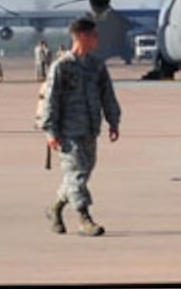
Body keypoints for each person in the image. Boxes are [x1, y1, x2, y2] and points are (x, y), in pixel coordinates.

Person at [39, 17, 121, 237]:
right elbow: (50, 101)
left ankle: (55, 208)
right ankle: (84, 219)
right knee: (77, 175)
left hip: (90, 129)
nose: (97, 39)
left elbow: (107, 95)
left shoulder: (96, 66)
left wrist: (113, 121)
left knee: (81, 173)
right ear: (82, 36)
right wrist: (50, 132)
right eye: (94, 35)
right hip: (67, 132)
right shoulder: (61, 67)